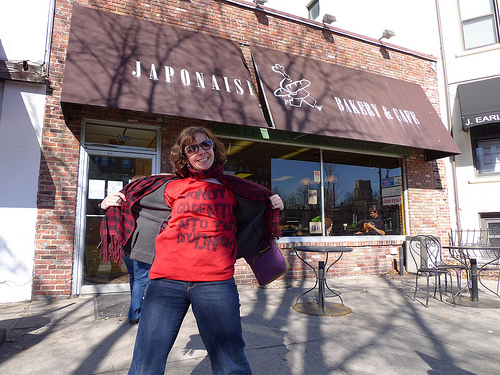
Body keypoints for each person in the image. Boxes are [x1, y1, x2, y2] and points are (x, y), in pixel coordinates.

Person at [99, 126, 283, 375]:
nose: (200, 151)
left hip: (215, 282)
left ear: (214, 149)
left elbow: (261, 203)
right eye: (192, 148)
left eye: (205, 144)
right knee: (145, 365)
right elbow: (132, 195)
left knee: (231, 365)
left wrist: (274, 202)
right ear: (185, 156)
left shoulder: (235, 187)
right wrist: (112, 201)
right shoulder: (170, 185)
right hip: (165, 281)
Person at [100, 174, 171, 324]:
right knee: (141, 280)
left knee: (134, 278)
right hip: (140, 246)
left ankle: (135, 307)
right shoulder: (146, 201)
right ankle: (135, 313)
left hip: (126, 244)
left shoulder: (124, 199)